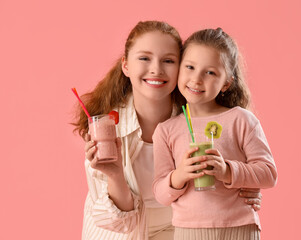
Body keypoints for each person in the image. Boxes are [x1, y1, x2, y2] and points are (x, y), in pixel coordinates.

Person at [73, 21, 263, 240]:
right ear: (126, 65)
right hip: (122, 233)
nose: (156, 69)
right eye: (144, 58)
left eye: (169, 61)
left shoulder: (196, 121)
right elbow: (119, 224)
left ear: (182, 67)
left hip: (181, 229)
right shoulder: (106, 128)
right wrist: (115, 174)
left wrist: (243, 187)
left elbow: (233, 168)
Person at [152, 28, 277, 240]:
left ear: (226, 82)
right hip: (188, 231)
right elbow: (161, 194)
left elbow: (268, 173)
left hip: (239, 227)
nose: (197, 79)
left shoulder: (241, 120)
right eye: (190, 67)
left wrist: (227, 170)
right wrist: (179, 175)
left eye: (210, 72)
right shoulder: (166, 130)